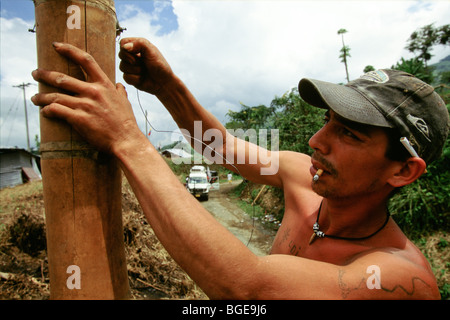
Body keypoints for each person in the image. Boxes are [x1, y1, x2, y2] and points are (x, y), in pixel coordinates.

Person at [31, 38, 449, 299]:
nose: (316, 142)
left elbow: (248, 288)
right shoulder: (301, 174)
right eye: (327, 123)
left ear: (403, 172)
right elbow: (224, 148)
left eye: (351, 135)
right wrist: (167, 87)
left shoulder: (397, 277)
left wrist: (127, 140)